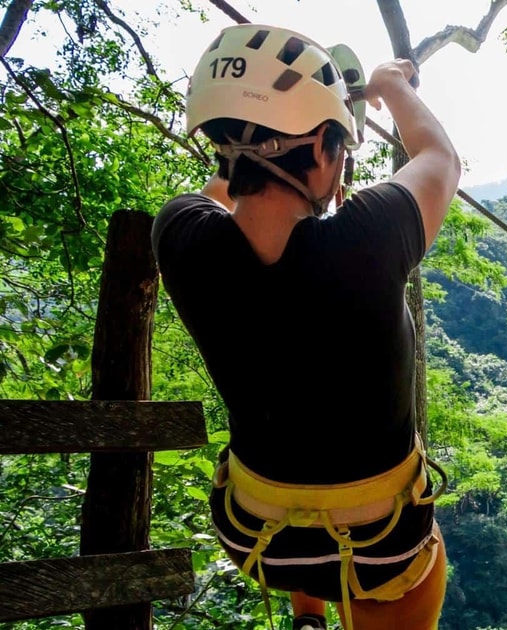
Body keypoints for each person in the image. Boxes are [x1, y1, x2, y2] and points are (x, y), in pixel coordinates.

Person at [151, 23, 460, 630]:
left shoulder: (179, 237)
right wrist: (389, 85)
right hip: (380, 541)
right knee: (405, 562)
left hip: (257, 534)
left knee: (296, 465)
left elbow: (222, 196)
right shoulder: (367, 237)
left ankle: (308, 618)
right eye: (339, 149)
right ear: (321, 148)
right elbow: (440, 159)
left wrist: (258, 146)